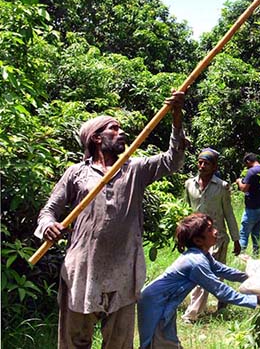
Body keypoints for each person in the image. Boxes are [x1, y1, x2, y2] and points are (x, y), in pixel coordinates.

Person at [35, 91, 187, 349]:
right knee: (74, 341)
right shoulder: (77, 173)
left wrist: (176, 117)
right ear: (96, 138)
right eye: (113, 129)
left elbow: (173, 161)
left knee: (118, 343)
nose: (122, 133)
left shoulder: (135, 169)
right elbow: (49, 210)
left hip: (124, 270)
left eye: (121, 128)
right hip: (82, 269)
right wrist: (48, 225)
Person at [137, 213, 260, 349]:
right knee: (157, 343)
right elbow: (220, 290)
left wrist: (252, 276)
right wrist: (255, 300)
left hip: (164, 301)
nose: (216, 231)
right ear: (198, 240)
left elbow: (223, 270)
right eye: (209, 230)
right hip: (155, 303)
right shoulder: (196, 262)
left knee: (167, 340)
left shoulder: (201, 255)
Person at [181, 147, 241, 322]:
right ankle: (193, 313)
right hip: (196, 238)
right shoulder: (189, 184)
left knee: (215, 273)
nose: (202, 166)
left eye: (206, 163)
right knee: (203, 274)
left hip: (217, 238)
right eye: (200, 162)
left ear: (214, 167)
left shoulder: (221, 187)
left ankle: (217, 305)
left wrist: (236, 239)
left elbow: (228, 213)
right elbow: (186, 210)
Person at [235, 153, 260, 255]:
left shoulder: (252, 171)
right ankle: (256, 254)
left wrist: (238, 182)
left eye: (246, 164)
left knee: (243, 234)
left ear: (248, 162)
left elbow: (244, 188)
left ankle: (241, 256)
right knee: (256, 233)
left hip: (252, 209)